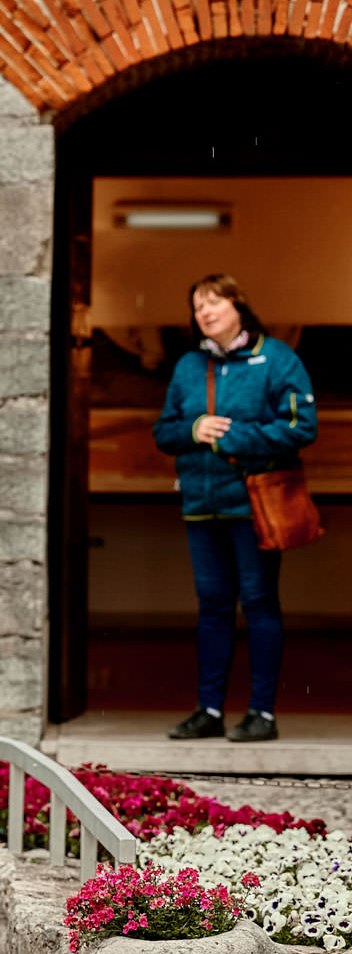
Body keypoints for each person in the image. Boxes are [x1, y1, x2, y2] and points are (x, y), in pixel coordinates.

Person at [152, 274, 318, 743]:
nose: (204, 312)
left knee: (261, 603)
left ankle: (262, 713)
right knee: (212, 608)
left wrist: (232, 436)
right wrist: (194, 428)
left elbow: (301, 426)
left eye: (213, 302)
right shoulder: (188, 365)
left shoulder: (277, 358)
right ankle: (209, 710)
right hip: (201, 506)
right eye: (197, 306)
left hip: (254, 504)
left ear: (237, 306)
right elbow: (164, 432)